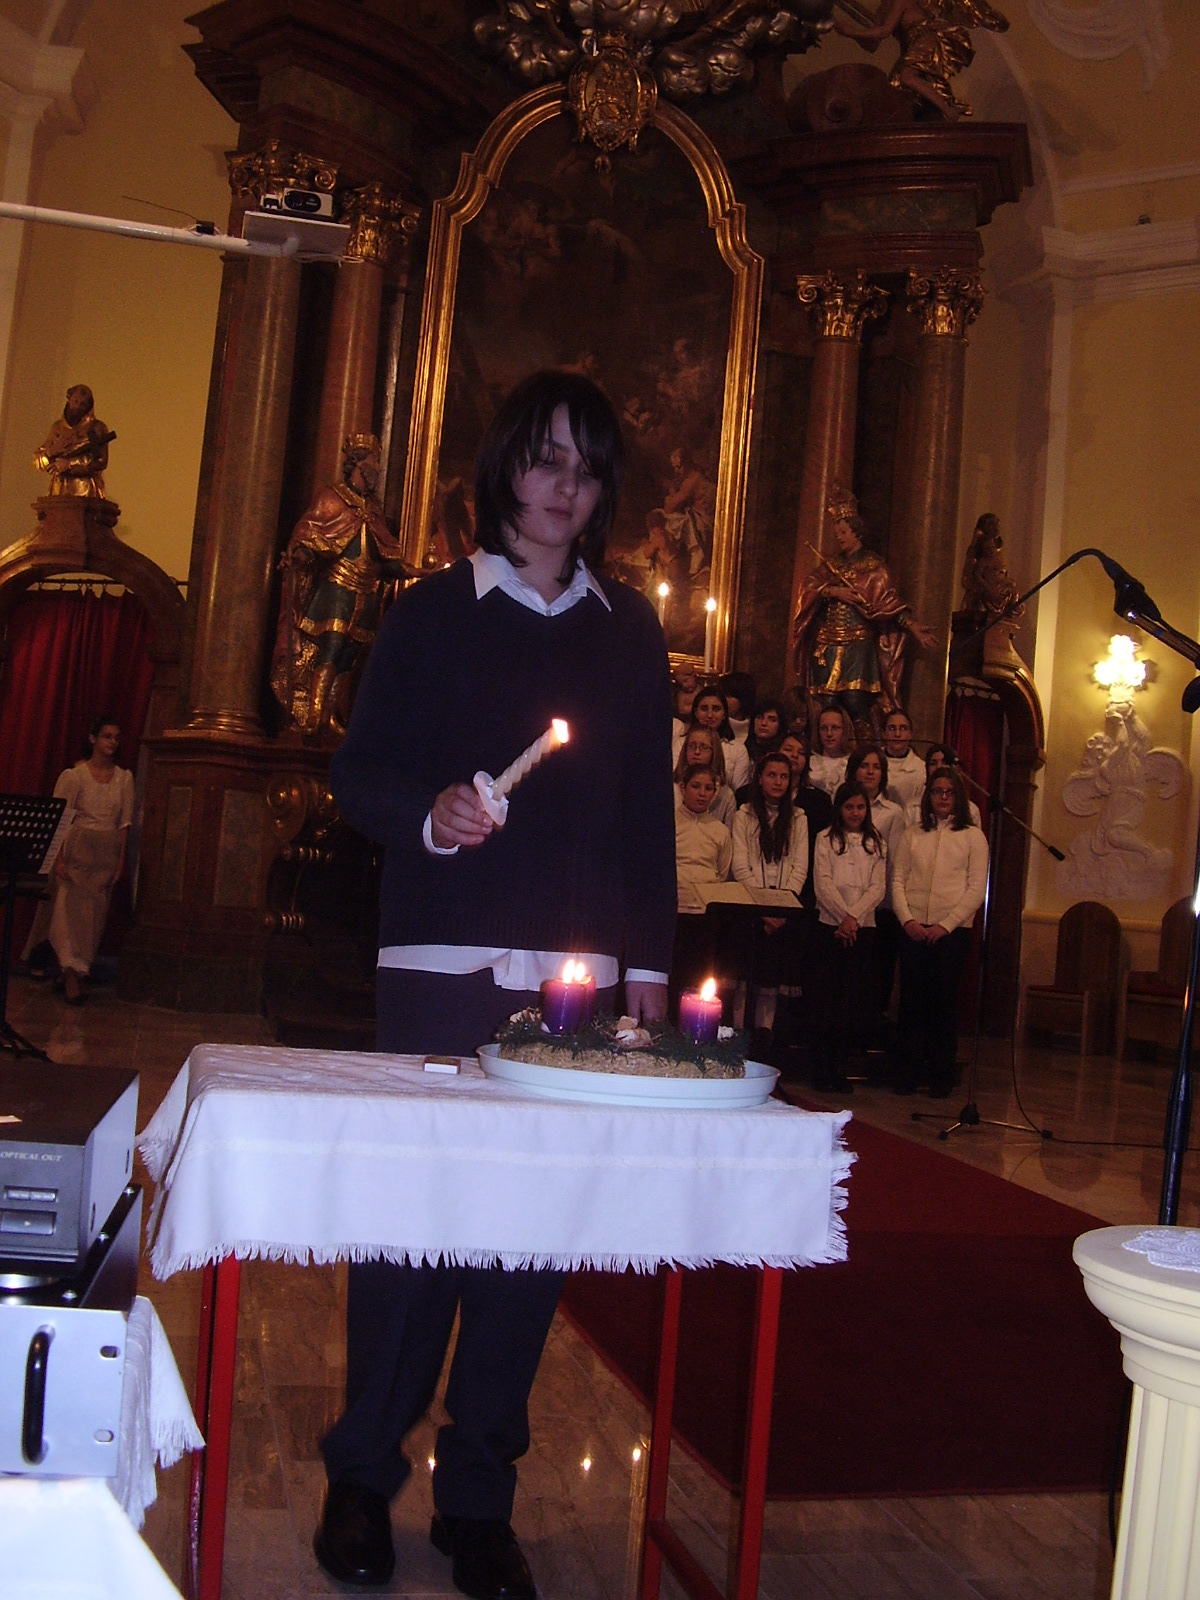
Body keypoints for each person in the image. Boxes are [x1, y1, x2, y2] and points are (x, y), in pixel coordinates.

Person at [318, 370, 676, 1599]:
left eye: (586, 466)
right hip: (440, 963)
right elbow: (359, 773)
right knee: (411, 1230)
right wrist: (430, 813)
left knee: (526, 1245)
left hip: (572, 984)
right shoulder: (430, 612)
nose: (564, 486)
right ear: (504, 468)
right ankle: (362, 1478)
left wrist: (646, 972)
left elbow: (644, 818)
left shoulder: (629, 631)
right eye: (544, 458)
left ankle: (477, 1500)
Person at [270, 433, 416, 738]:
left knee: (349, 655)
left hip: (366, 594)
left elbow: (385, 559)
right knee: (332, 647)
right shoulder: (331, 497)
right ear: (358, 463)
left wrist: (420, 571)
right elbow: (311, 534)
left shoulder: (373, 510)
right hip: (337, 588)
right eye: (374, 461)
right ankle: (313, 715)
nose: (378, 468)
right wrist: (300, 554)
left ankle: (329, 715)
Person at [792, 486, 934, 746]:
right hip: (827, 643)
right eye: (837, 532)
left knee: (856, 700)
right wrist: (833, 591)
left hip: (858, 643)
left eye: (843, 532)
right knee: (827, 702)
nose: (839, 537)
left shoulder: (874, 567)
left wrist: (912, 626)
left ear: (856, 531)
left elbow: (887, 605)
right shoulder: (831, 566)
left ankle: (864, 751)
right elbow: (809, 587)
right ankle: (824, 750)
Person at [891, 765, 988, 1097]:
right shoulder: (913, 834)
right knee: (911, 1003)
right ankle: (907, 1074)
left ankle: (940, 1076)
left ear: (958, 796)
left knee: (942, 1005)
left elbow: (976, 889)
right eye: (937, 791)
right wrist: (908, 921)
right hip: (914, 928)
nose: (943, 797)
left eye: (949, 792)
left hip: (952, 933)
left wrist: (945, 925)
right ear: (928, 796)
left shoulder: (973, 836)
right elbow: (898, 881)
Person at [22, 716, 133, 1004]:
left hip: (105, 854)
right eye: (107, 736)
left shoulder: (124, 779)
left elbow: (124, 824)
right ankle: (72, 976)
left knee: (92, 919)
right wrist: (58, 859)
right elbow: (61, 819)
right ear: (93, 738)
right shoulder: (75, 776)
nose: (112, 742)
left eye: (116, 737)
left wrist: (121, 860)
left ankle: (71, 972)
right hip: (78, 851)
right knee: (68, 915)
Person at [811, 781, 886, 1093]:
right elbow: (823, 884)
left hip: (862, 929)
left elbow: (878, 887)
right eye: (849, 807)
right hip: (830, 927)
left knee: (850, 1002)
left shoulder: (875, 842)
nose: (855, 813)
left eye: (860, 807)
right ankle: (821, 1069)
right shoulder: (825, 839)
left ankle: (840, 1069)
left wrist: (854, 917)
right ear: (839, 809)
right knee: (827, 1000)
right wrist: (843, 916)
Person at [34, 384, 112, 497]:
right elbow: (39, 462)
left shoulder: (96, 428)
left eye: (83, 404)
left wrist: (70, 465)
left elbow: (100, 461)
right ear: (69, 399)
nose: (77, 406)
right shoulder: (57, 428)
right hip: (58, 491)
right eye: (75, 401)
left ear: (88, 407)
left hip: (86, 492)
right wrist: (50, 452)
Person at [673, 724, 737, 827]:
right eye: (692, 746)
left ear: (714, 752)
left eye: (704, 747)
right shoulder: (671, 787)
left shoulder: (726, 796)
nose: (697, 752)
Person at [906, 743, 982, 828]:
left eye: (944, 762)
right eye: (933, 763)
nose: (939, 767)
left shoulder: (971, 810)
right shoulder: (912, 808)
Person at [882, 710, 926, 813]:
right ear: (883, 733)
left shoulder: (921, 769)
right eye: (892, 728)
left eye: (903, 728)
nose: (897, 734)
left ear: (910, 734)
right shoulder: (871, 765)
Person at [808, 704, 853, 798]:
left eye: (835, 728)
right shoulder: (809, 762)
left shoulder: (853, 762)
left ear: (845, 730)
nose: (829, 734)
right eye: (824, 728)